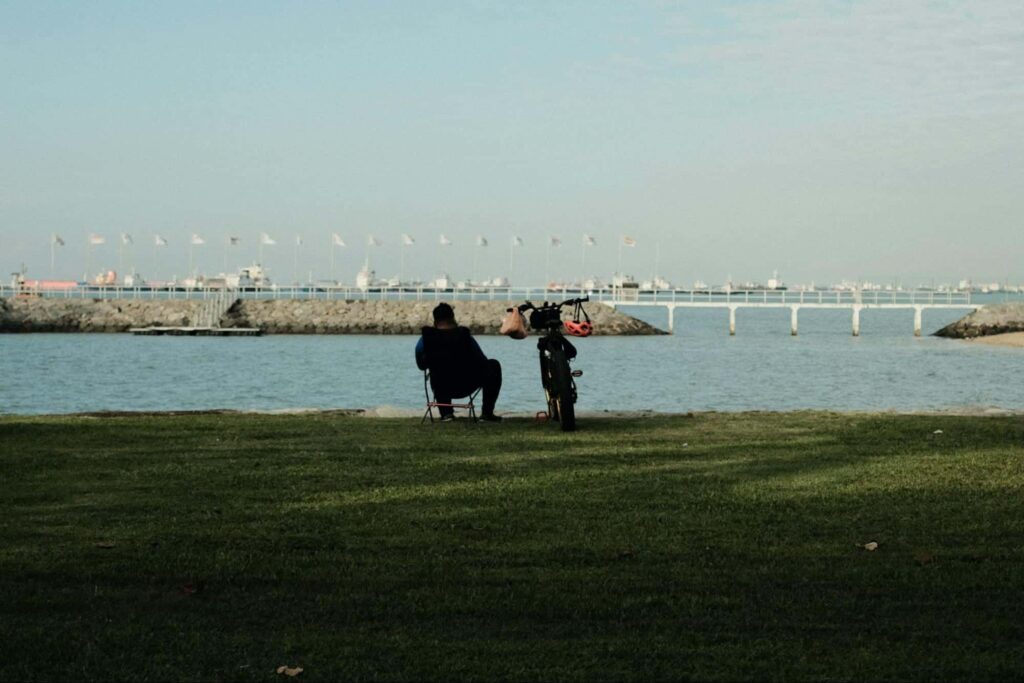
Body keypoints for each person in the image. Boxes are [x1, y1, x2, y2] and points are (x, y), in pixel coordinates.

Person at [415, 302, 502, 422]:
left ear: (435, 321)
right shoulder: (464, 336)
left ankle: (446, 414)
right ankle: (487, 413)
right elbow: (481, 360)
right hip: (467, 384)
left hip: (441, 385)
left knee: (437, 372)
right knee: (493, 365)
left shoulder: (426, 339)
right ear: (453, 318)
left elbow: (421, 365)